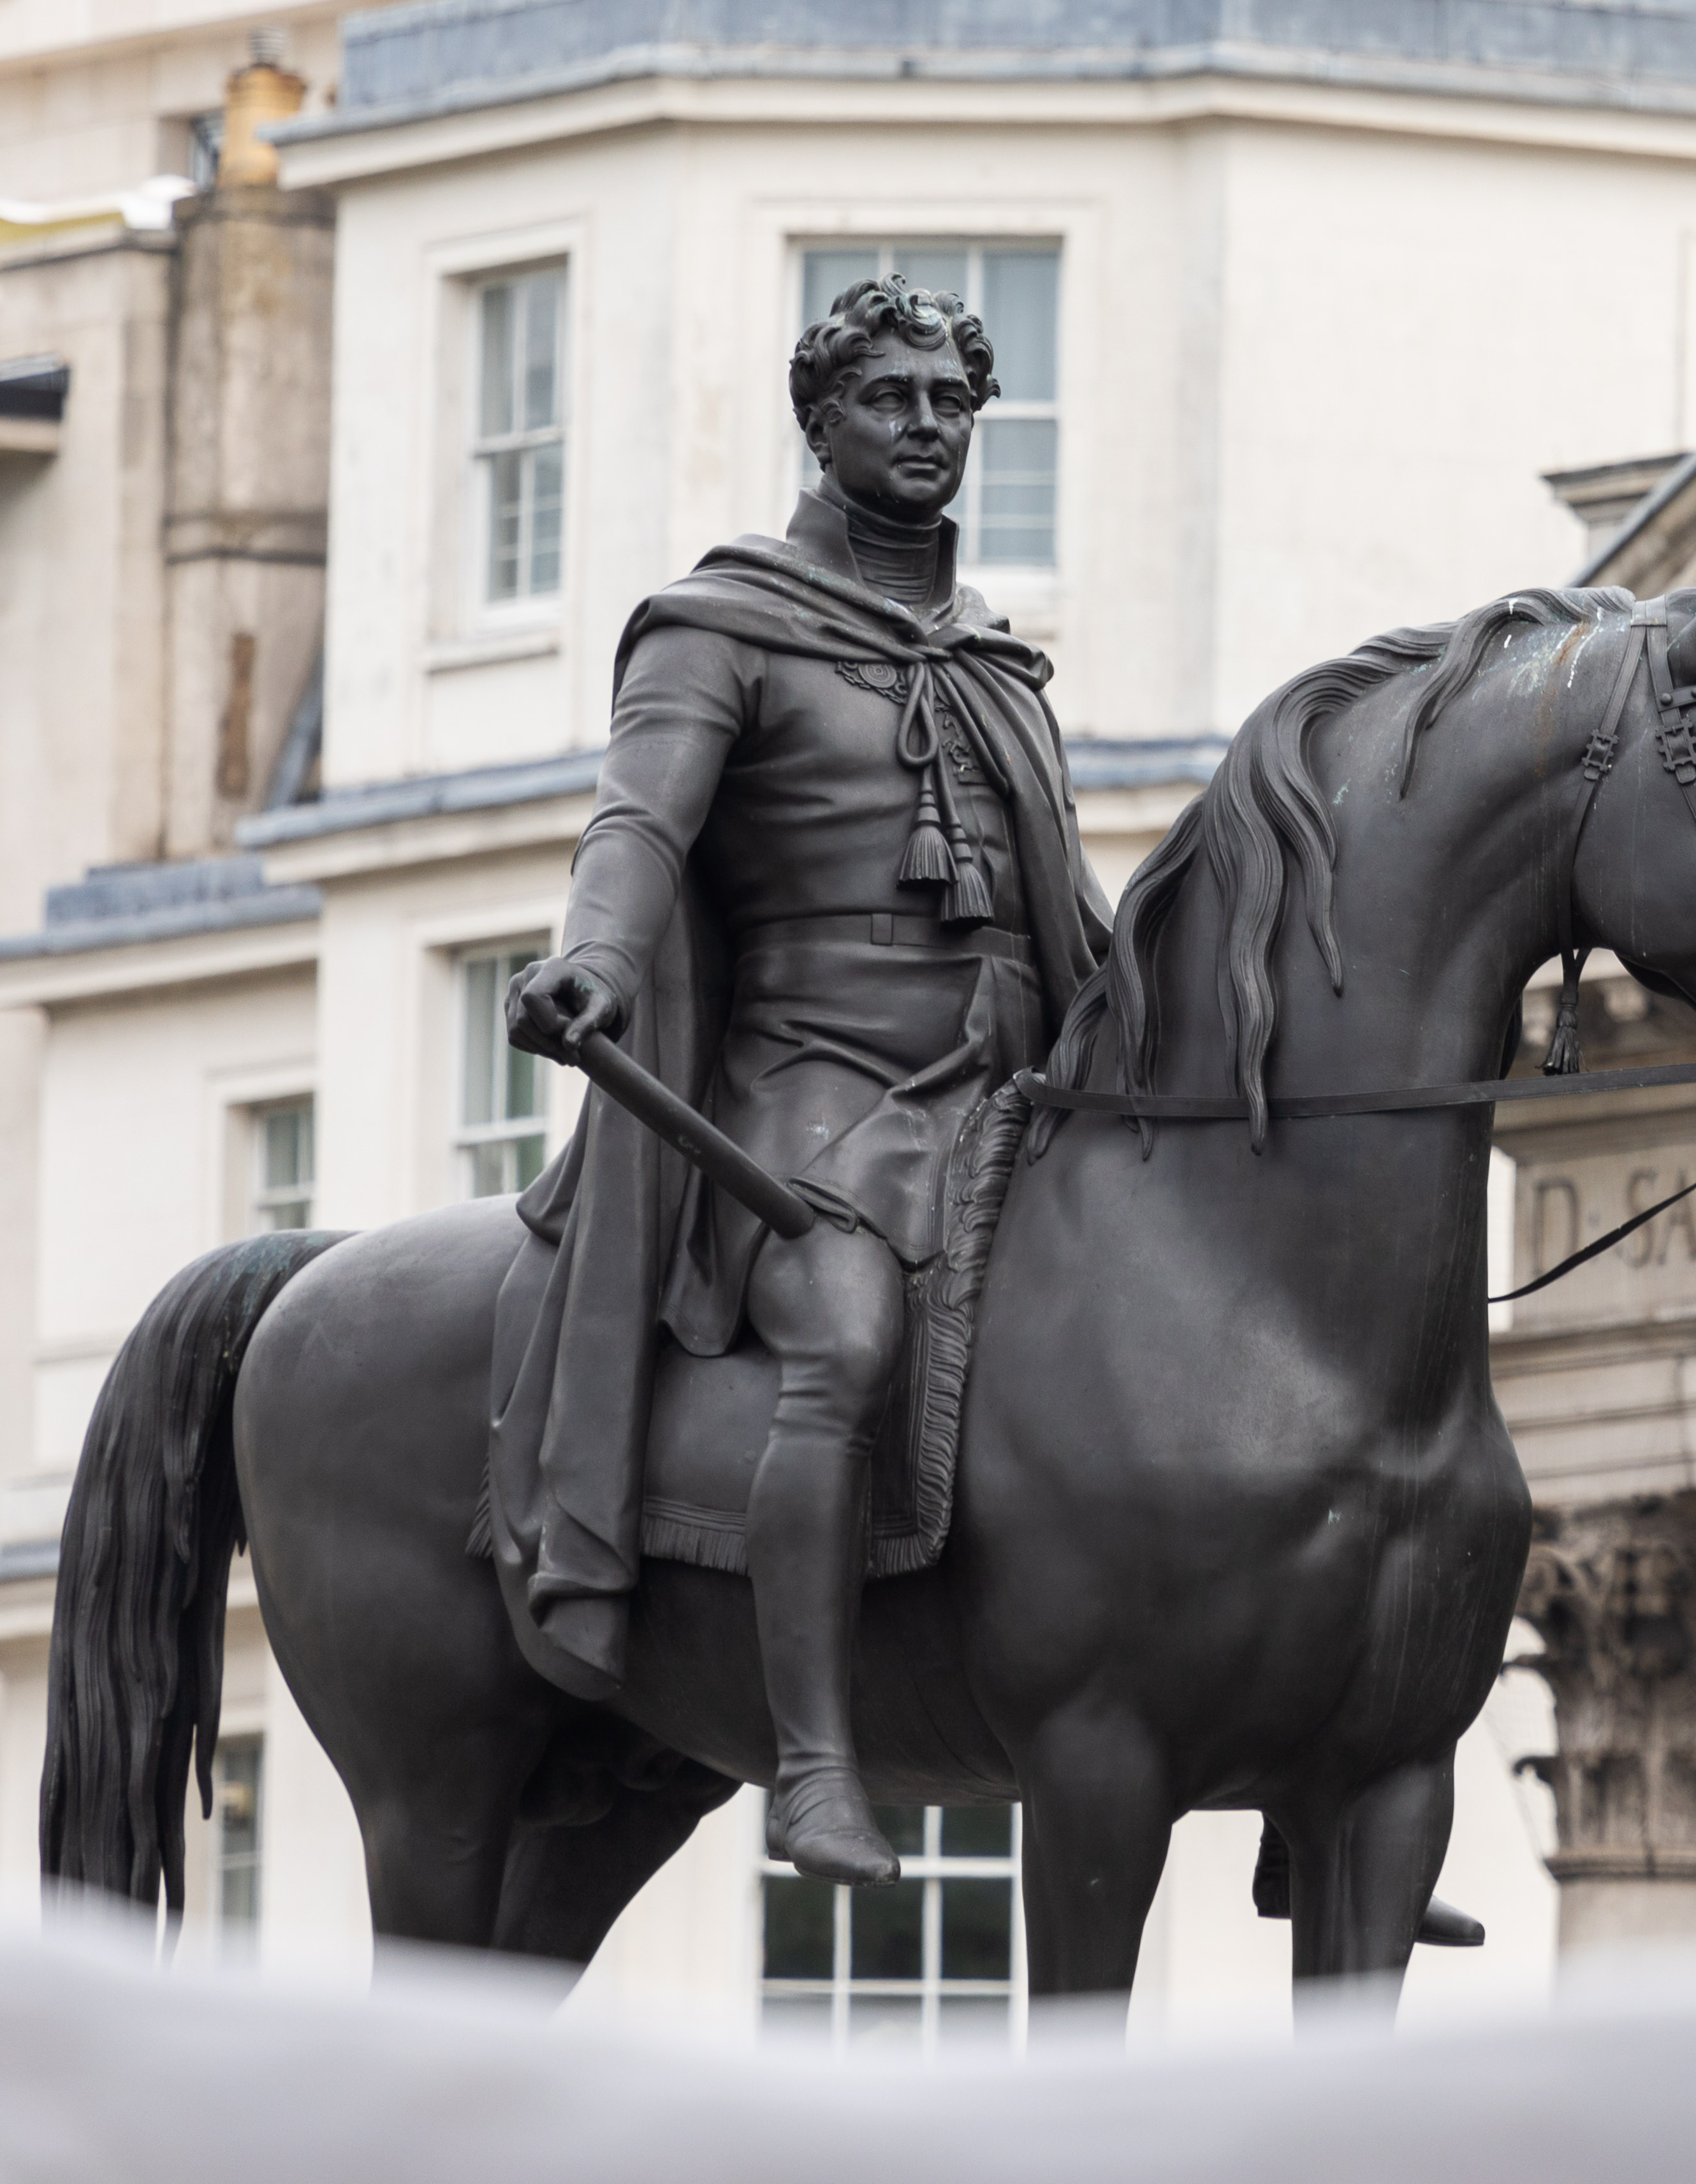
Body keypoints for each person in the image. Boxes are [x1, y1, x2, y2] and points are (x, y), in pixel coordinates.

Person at [489, 277, 1109, 1884]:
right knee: (844, 1339)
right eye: (891, 399)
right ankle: (816, 1764)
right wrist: (596, 960)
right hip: (810, 1085)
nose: (927, 427)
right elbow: (637, 825)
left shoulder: (998, 664)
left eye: (952, 402)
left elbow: (1071, 908)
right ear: (819, 424)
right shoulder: (723, 626)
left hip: (1007, 1090)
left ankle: (1295, 1745)